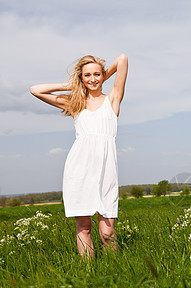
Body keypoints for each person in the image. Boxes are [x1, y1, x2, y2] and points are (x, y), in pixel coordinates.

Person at [30, 54, 128, 258]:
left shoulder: (113, 99)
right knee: (84, 228)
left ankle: (115, 271)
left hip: (106, 169)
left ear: (103, 76)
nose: (93, 79)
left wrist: (101, 77)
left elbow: (122, 60)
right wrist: (72, 85)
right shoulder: (75, 104)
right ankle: (88, 276)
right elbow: (35, 90)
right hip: (79, 169)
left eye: (97, 75)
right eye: (87, 76)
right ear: (81, 78)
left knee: (107, 232)